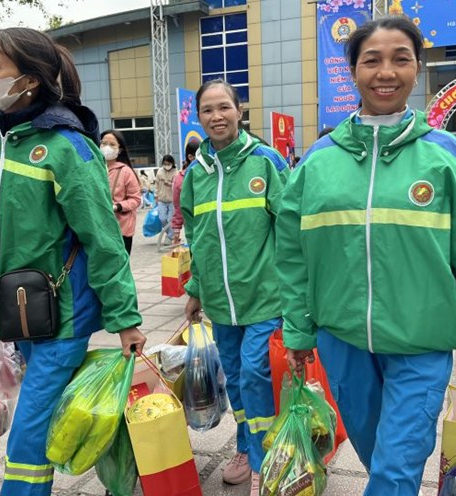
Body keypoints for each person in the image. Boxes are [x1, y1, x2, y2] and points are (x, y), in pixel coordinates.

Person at [276, 17, 456, 496]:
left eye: (401, 59)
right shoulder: (316, 162)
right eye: (371, 60)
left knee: (397, 468)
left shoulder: (448, 157)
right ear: (352, 70)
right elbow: (292, 259)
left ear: (418, 68)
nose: (386, 72)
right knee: (380, 459)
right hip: (342, 341)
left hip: (422, 341)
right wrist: (297, 328)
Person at [0, 27, 145, 496]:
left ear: (28, 81)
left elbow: (103, 240)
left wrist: (126, 319)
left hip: (62, 316)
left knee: (26, 437)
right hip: (15, 311)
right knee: (41, 425)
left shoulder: (68, 148)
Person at [181, 79, 289, 495]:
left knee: (256, 373)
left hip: (265, 297)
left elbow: (291, 228)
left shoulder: (267, 162)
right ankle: (247, 447)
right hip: (222, 306)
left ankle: (263, 462)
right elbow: (198, 237)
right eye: (208, 110)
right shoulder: (196, 175)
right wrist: (195, 288)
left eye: (224, 107)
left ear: (239, 111)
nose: (216, 116)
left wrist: (299, 292)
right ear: (200, 117)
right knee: (238, 381)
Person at [100, 129, 142, 254]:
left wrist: (118, 206)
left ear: (120, 150)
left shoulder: (126, 172)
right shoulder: (94, 168)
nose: (107, 147)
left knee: (119, 268)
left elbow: (136, 199)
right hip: (99, 227)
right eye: (104, 143)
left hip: (121, 229)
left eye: (112, 144)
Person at [171, 140, 200, 244]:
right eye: (199, 155)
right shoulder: (180, 179)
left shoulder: (211, 173)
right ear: (190, 157)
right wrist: (176, 231)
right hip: (193, 230)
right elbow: (178, 206)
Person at [155, 154, 178, 243]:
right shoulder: (159, 172)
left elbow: (178, 185)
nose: (166, 165)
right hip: (162, 199)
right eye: (165, 163)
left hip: (172, 200)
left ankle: (169, 237)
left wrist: (170, 184)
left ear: (172, 163)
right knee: (162, 218)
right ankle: (170, 234)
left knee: (170, 220)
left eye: (168, 163)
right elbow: (156, 184)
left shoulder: (176, 172)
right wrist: (155, 196)